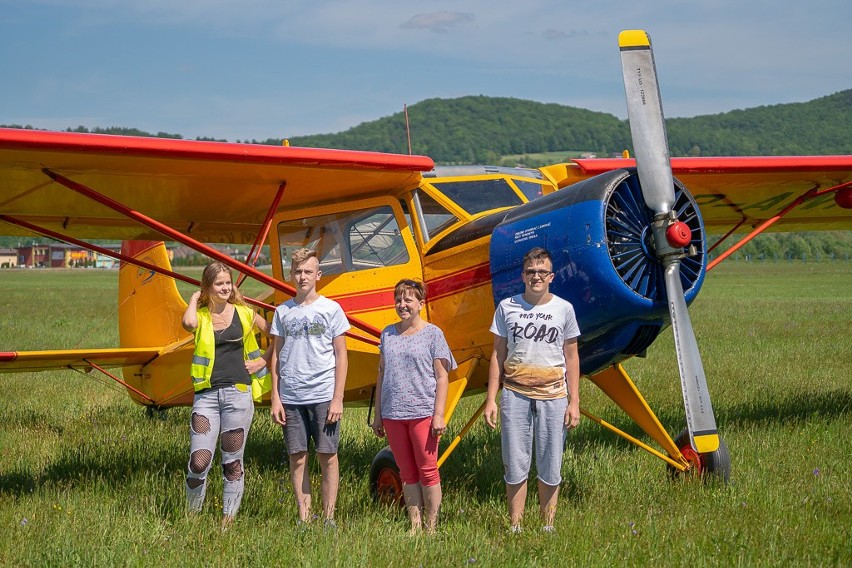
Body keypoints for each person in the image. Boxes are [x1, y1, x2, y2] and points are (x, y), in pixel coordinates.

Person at [483, 246, 581, 534]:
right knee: (515, 462)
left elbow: (572, 357)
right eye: (531, 272)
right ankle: (516, 525)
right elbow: (497, 355)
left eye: (542, 272)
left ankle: (547, 525)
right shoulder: (507, 307)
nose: (536, 276)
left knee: (551, 462)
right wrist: (491, 398)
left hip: (554, 395)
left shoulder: (564, 309)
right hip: (515, 393)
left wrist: (574, 402)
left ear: (551, 276)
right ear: (522, 276)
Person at [182, 261, 271, 530]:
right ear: (208, 287)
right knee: (199, 462)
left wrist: (263, 361)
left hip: (238, 394)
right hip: (206, 397)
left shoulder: (245, 313)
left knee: (232, 463)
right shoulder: (202, 316)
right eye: (218, 283)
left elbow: (276, 334)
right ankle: (191, 517)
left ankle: (228, 520)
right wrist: (195, 298)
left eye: (227, 282)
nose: (225, 287)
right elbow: (187, 323)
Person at [269, 248, 350, 527]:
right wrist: (275, 397)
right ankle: (304, 518)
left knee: (328, 456)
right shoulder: (282, 312)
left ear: (318, 274)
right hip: (291, 396)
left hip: (323, 395)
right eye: (298, 271)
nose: (302, 276)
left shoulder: (331, 309)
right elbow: (276, 356)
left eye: (308, 271)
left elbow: (341, 355)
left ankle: (328, 518)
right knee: (298, 457)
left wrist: (337, 398)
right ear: (292, 275)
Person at [371, 279, 456, 534]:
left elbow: (443, 376)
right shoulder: (387, 333)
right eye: (398, 299)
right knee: (407, 473)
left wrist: (438, 415)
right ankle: (415, 525)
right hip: (394, 414)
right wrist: (378, 415)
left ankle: (432, 526)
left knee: (428, 470)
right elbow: (381, 374)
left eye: (408, 300)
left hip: (422, 413)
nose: (402, 305)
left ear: (421, 303)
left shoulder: (433, 334)